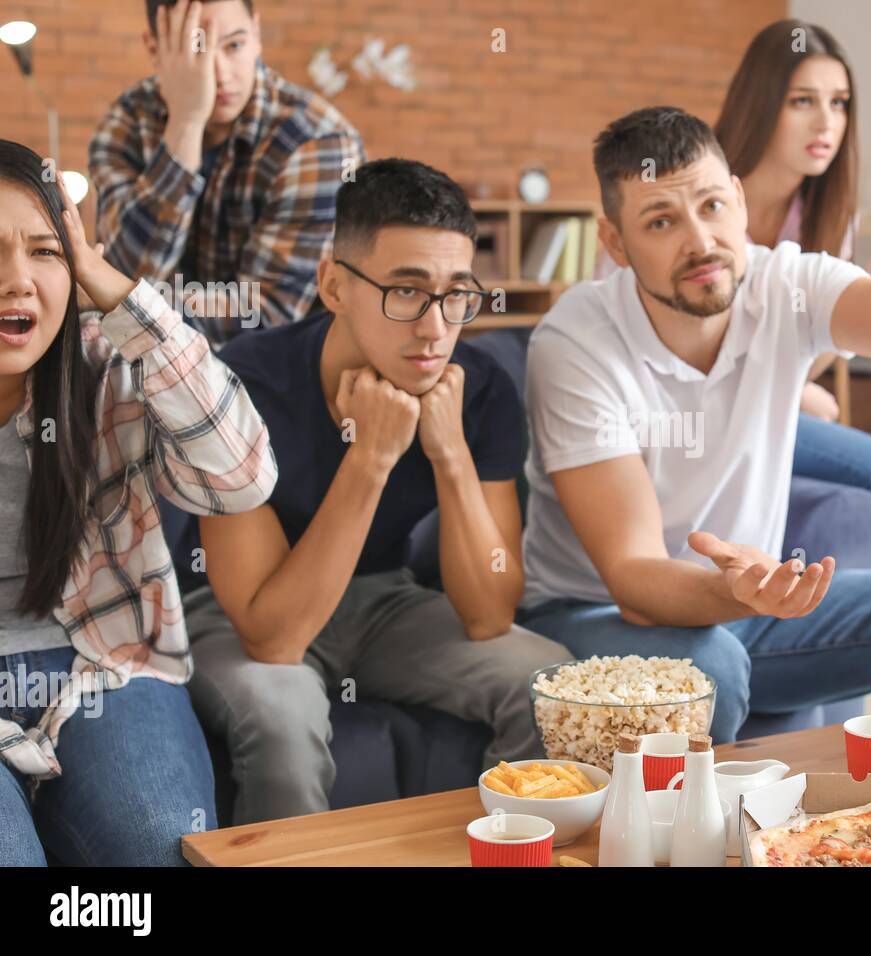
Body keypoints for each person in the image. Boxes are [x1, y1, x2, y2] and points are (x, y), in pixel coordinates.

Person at [517, 106, 871, 743]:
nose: (700, 242)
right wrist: (747, 592)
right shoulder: (576, 341)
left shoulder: (786, 283)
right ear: (614, 244)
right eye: (661, 221)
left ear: (739, 199)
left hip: (752, 603)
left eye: (711, 206)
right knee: (708, 671)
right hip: (596, 613)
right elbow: (634, 577)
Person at [178, 158, 571, 826]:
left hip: (385, 603)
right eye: (406, 291)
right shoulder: (243, 384)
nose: (434, 327)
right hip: (237, 608)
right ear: (334, 285)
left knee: (549, 684)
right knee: (282, 719)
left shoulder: (481, 390)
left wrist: (448, 453)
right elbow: (275, 639)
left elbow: (489, 617)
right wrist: (373, 456)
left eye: (455, 294)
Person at [0, 139, 276, 865]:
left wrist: (112, 288)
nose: (17, 281)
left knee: (158, 841)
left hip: (102, 663)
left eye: (45, 252)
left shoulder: (104, 364)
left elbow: (241, 475)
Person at [716, 19, 871, 563]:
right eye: (803, 101)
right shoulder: (705, 201)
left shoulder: (822, 219)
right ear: (760, 104)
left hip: (766, 407)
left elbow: (806, 348)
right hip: (700, 413)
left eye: (839, 103)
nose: (826, 122)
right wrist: (796, 393)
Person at [88, 0, 365, 344]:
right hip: (146, 367)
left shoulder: (318, 141)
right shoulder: (129, 119)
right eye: (196, 50)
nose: (218, 74)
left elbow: (263, 314)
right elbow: (125, 270)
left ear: (257, 34)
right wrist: (186, 125)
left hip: (276, 378)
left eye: (234, 45)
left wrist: (127, 301)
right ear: (155, 49)